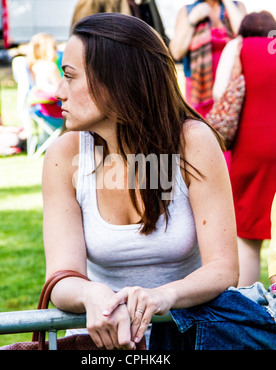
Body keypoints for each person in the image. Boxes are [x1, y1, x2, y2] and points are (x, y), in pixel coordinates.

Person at [41, 12, 243, 350]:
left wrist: (163, 296)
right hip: (103, 347)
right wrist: (92, 294)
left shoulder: (193, 142)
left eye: (70, 76)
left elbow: (224, 268)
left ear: (116, 82)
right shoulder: (64, 155)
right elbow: (61, 277)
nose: (58, 91)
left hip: (189, 339)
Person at [212, 12, 276, 287]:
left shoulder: (238, 46)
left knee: (248, 234)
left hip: (253, 146)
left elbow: (219, 92)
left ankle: (249, 305)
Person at [169, 0, 246, 118]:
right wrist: (192, 20)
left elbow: (244, 36)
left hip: (231, 88)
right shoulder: (187, 11)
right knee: (203, 130)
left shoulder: (237, 6)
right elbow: (176, 52)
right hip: (199, 90)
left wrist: (228, 4)